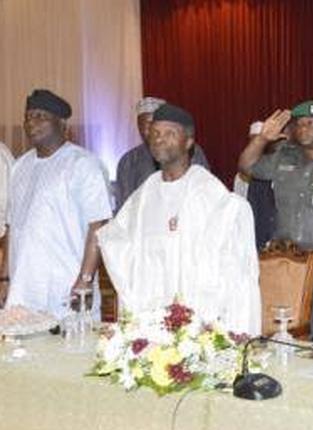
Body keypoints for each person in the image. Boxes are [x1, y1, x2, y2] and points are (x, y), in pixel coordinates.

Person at [98, 104, 260, 334]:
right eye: (155, 133)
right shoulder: (147, 191)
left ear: (188, 142)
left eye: (169, 133)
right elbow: (117, 238)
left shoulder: (207, 191)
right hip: (153, 315)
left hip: (196, 320)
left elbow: (230, 266)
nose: (159, 139)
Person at [239, 100, 313, 344]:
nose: (306, 128)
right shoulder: (283, 156)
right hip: (289, 266)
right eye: (301, 123)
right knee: (287, 342)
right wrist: (262, 139)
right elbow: (247, 166)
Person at [3, 89, 112, 318]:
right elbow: (12, 227)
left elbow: (99, 225)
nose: (31, 122)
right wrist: (5, 278)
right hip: (23, 289)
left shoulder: (83, 164)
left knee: (69, 352)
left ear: (62, 124)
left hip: (67, 290)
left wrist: (85, 281)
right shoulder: (20, 166)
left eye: (41, 116)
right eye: (28, 116)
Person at [115, 97, 211, 209]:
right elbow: (125, 207)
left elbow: (203, 196)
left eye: (151, 125)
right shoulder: (129, 161)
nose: (146, 130)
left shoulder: (190, 151)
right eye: (141, 124)